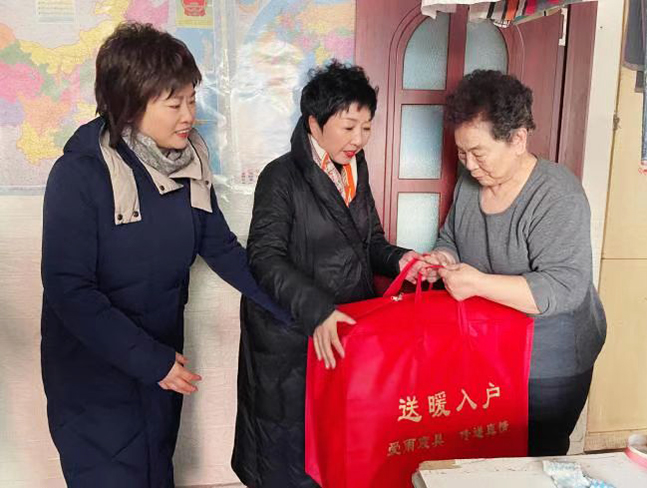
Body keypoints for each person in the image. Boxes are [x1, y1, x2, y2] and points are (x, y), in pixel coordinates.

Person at [40, 22, 288, 487]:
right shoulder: (79, 174)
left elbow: (222, 248)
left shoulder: (187, 164)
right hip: (95, 378)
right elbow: (69, 291)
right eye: (174, 104)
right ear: (130, 104)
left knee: (156, 471)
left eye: (192, 99)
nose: (189, 115)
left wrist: (296, 308)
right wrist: (150, 361)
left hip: (160, 366)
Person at [231, 61, 424, 487]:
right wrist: (316, 310)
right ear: (314, 123)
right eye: (349, 127)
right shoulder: (281, 176)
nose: (359, 139)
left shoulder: (355, 170)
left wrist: (402, 260)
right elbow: (264, 257)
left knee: (338, 448)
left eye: (367, 127)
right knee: (291, 455)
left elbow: (370, 241)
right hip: (293, 334)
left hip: (344, 331)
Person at [424, 69, 607, 456]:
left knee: (534, 457)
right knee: (483, 450)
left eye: (478, 153)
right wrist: (443, 257)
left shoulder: (557, 194)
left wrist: (477, 283)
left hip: (550, 358)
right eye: (462, 153)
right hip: (490, 345)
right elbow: (451, 237)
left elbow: (563, 288)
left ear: (518, 139)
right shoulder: (470, 184)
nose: (469, 165)